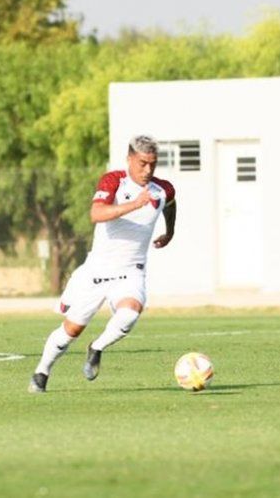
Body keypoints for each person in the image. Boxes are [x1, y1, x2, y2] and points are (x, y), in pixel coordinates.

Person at [29, 135, 176, 393]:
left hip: (132, 271)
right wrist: (134, 204)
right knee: (70, 330)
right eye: (142, 163)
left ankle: (96, 347)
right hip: (97, 271)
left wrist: (170, 231)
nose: (148, 170)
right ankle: (41, 372)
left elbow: (170, 204)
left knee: (130, 313)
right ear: (129, 159)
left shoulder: (163, 188)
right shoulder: (114, 181)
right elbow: (97, 214)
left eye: (153, 164)